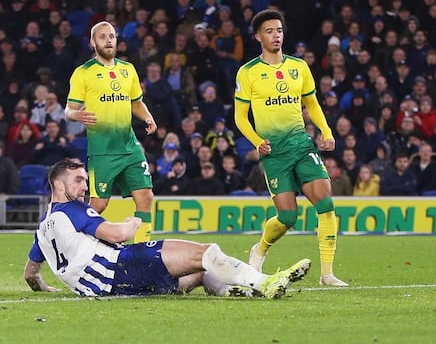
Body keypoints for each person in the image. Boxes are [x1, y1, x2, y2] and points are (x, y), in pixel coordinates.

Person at [23, 159, 310, 298]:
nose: (85, 187)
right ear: (58, 186)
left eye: (85, 180)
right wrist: (134, 221)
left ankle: (241, 292)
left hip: (114, 289)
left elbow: (30, 275)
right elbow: (117, 235)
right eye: (77, 181)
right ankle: (264, 282)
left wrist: (47, 290)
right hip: (123, 266)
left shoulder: (41, 230)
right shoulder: (72, 210)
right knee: (206, 252)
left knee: (200, 271)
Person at [234, 9, 347, 287]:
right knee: (287, 216)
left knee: (326, 203)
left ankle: (327, 274)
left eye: (280, 30)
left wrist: (326, 130)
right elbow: (239, 117)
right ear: (258, 37)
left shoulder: (299, 67)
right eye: (270, 31)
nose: (276, 35)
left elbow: (312, 104)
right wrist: (257, 141)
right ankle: (259, 249)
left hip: (301, 144)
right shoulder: (248, 72)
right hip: (274, 153)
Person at [64, 21, 156, 243]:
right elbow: (69, 110)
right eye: (103, 36)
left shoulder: (128, 69)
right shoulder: (83, 73)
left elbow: (136, 102)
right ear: (93, 43)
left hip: (130, 146)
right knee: (99, 204)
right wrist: (77, 115)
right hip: (103, 151)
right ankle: (75, 243)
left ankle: (143, 253)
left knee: (145, 196)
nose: (108, 40)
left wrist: (147, 116)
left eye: (112, 36)